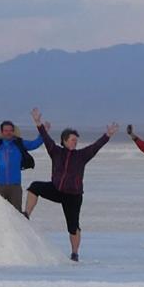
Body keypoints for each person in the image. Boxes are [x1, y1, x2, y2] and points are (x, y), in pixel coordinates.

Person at [27, 107, 116, 262]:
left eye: (76, 140)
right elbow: (46, 137)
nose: (75, 142)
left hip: (73, 195)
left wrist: (107, 135)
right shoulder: (55, 151)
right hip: (56, 189)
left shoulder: (81, 155)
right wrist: (38, 122)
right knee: (34, 186)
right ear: (64, 140)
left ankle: (75, 253)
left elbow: (96, 147)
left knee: (73, 226)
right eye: (73, 140)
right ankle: (26, 214)